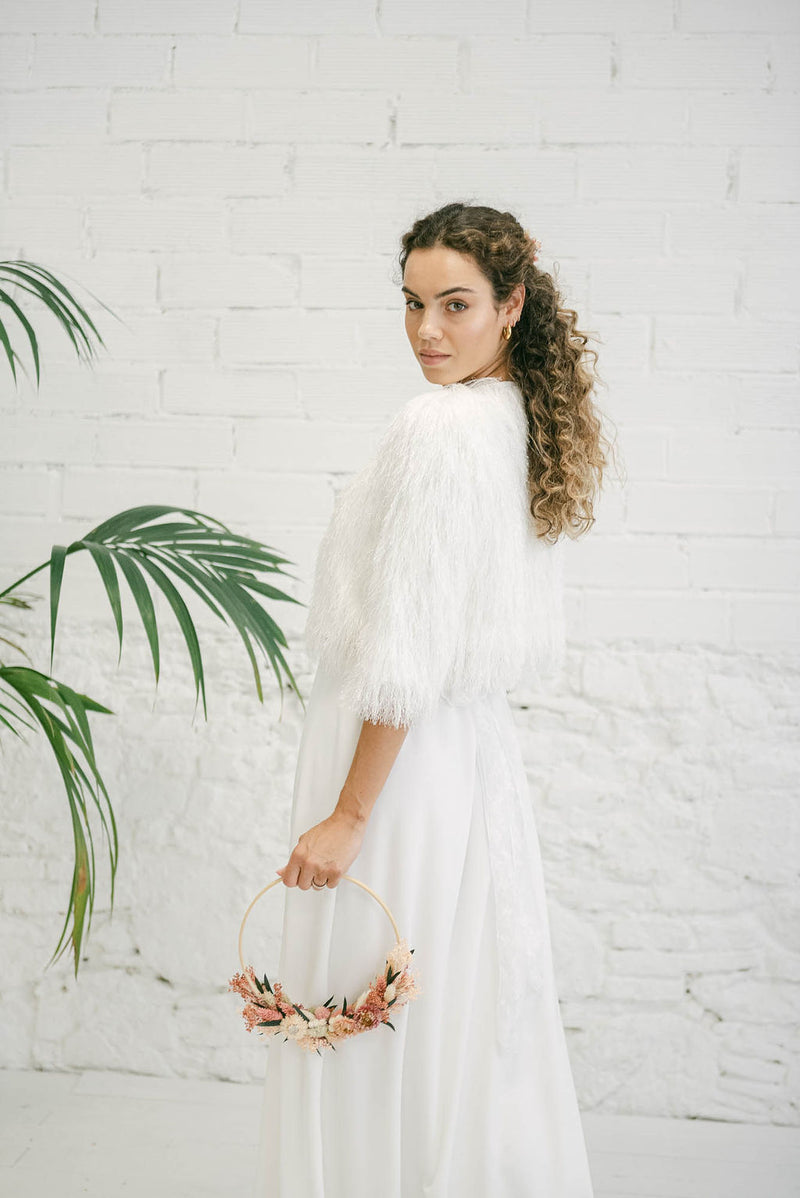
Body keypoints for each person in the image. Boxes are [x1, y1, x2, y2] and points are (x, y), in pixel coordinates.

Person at [251, 201, 612, 1196]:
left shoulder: (442, 426)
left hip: (394, 769)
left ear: (510, 306)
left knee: (371, 1020)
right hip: (463, 756)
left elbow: (403, 647)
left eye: (454, 305)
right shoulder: (513, 419)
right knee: (452, 1015)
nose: (425, 332)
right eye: (411, 304)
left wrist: (348, 813)